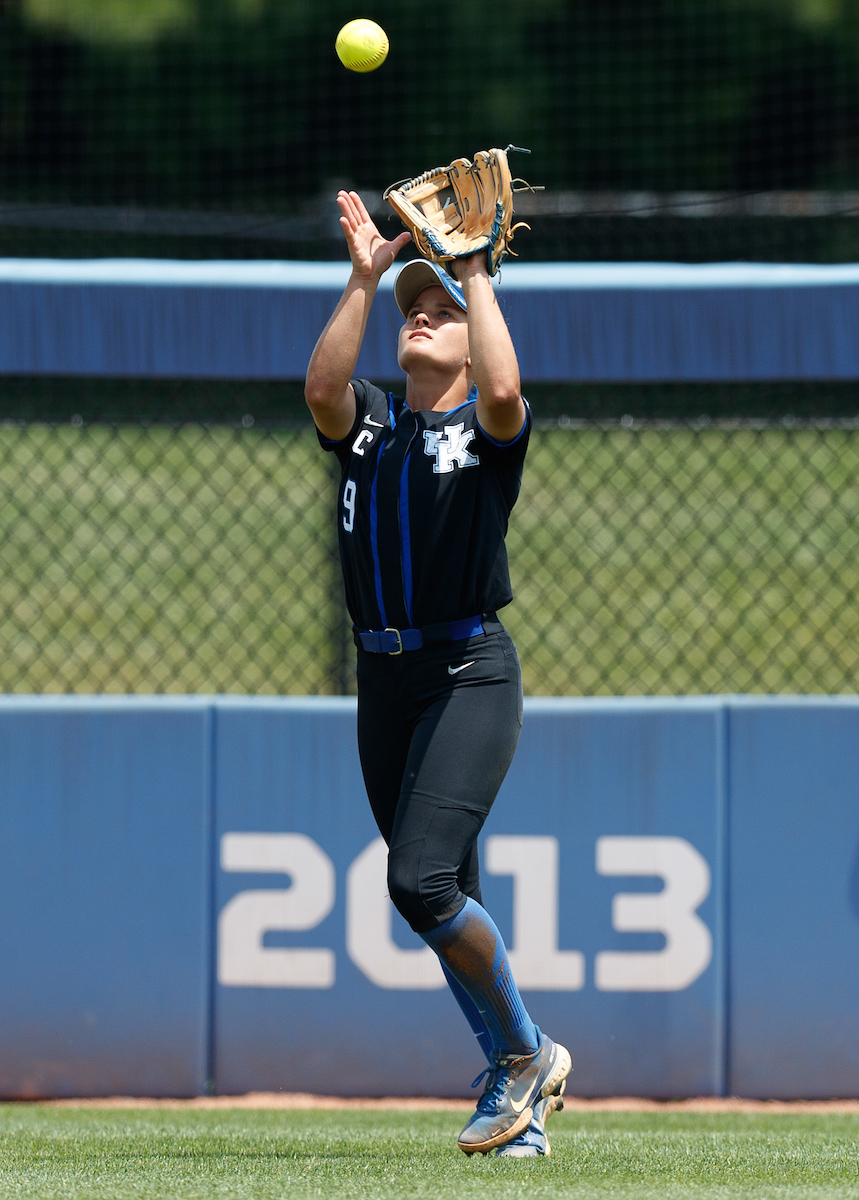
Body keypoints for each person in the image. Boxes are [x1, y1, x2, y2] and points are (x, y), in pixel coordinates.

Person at [304, 190, 571, 1158]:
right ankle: (522, 1101)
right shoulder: (372, 425)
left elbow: (504, 397)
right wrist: (368, 276)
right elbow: (321, 392)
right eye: (411, 307)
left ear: (471, 337)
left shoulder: (483, 431)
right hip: (385, 687)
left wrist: (474, 275)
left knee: (416, 884)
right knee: (444, 889)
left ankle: (524, 1055)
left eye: (439, 311)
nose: (421, 314)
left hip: (466, 671)